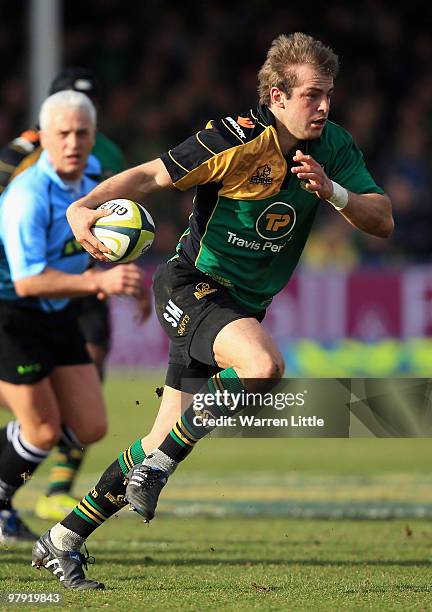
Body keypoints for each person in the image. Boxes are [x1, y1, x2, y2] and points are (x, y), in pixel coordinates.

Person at [32, 32, 393, 589]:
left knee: (159, 437)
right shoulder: (234, 138)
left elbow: (383, 219)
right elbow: (153, 174)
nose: (324, 106)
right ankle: (158, 469)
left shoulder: (336, 148)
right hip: (192, 285)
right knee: (263, 368)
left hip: (242, 305)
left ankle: (62, 539)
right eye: (312, 96)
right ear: (277, 96)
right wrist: (84, 206)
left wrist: (334, 194)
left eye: (329, 95)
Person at [0, 67, 151, 522]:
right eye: (62, 133)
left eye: (81, 133)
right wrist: (98, 283)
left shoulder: (94, 190)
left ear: (93, 135)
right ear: (42, 136)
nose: (72, 143)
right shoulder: (27, 194)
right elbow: (27, 281)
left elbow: (88, 250)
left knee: (89, 426)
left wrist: (123, 274)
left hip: (56, 310)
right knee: (43, 431)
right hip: (10, 312)